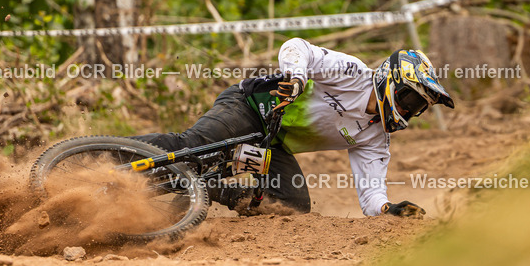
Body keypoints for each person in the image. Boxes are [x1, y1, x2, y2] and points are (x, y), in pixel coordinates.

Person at [133, 38, 454, 217]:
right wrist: (296, 77)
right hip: (250, 106)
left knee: (293, 205)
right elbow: (297, 47)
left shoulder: (375, 138)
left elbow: (371, 194)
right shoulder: (353, 73)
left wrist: (388, 209)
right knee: (191, 144)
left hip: (272, 146)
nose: (411, 110)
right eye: (411, 99)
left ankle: (207, 188)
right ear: (392, 82)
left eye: (419, 108)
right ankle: (105, 153)